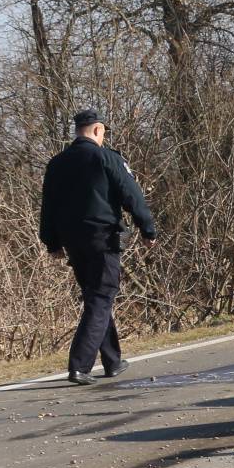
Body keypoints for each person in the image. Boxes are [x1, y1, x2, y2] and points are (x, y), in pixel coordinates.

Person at [39, 108, 157, 386]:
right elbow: (131, 194)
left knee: (96, 297)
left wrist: (52, 242)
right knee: (101, 298)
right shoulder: (106, 157)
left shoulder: (56, 164)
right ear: (97, 130)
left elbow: (48, 207)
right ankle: (79, 365)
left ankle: (113, 361)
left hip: (73, 242)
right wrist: (147, 228)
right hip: (103, 238)